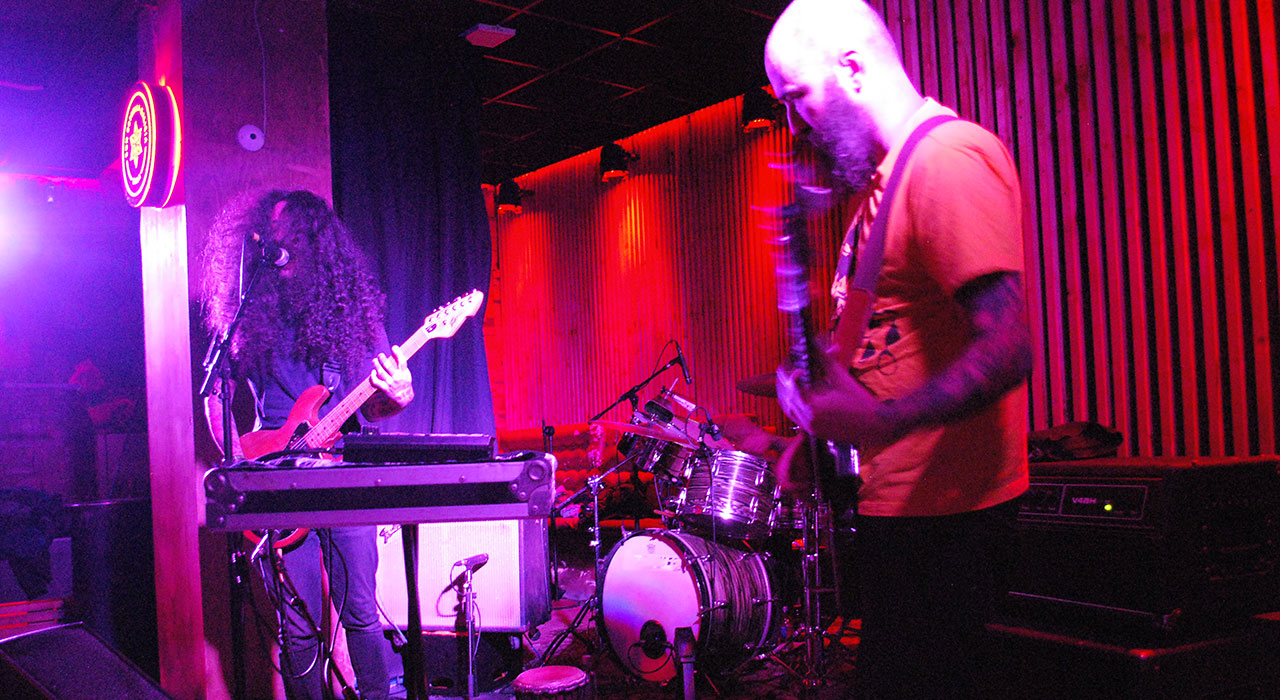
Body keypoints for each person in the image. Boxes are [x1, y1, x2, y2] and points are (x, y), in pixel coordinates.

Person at [763, 1, 1032, 698]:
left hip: (953, 529)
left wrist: (883, 423)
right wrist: (815, 432)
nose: (795, 125)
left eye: (797, 97)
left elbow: (1009, 345)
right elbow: (886, 348)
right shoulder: (881, 189)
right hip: (907, 518)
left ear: (851, 69)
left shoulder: (945, 161)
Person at [201, 189, 414, 700]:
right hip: (277, 480)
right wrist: (239, 464)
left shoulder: (354, 314)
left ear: (315, 241)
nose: (276, 242)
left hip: (343, 479)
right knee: (296, 626)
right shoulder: (248, 314)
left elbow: (374, 408)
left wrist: (400, 394)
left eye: (288, 232)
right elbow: (214, 394)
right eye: (269, 231)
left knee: (360, 613)